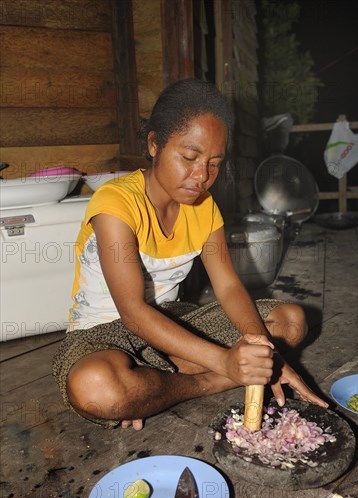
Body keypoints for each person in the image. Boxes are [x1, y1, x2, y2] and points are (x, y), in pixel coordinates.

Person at [52, 78, 327, 431]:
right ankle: (204, 382)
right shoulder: (115, 203)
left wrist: (263, 351)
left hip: (173, 322)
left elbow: (227, 287)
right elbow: (133, 313)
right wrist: (226, 364)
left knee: (290, 320)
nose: (202, 177)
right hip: (102, 333)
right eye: (189, 157)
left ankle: (153, 387)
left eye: (214, 163)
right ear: (154, 143)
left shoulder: (203, 206)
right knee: (95, 387)